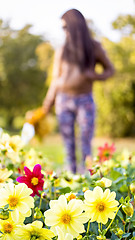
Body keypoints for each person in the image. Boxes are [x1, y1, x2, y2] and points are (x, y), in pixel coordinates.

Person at [43, 9, 115, 173]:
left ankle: (87, 176)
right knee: (68, 143)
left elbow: (110, 70)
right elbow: (55, 80)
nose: (65, 31)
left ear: (76, 26)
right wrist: (47, 104)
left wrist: (94, 76)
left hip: (85, 100)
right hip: (63, 100)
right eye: (63, 28)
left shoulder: (94, 47)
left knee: (85, 142)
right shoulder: (62, 50)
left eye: (66, 27)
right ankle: (71, 175)